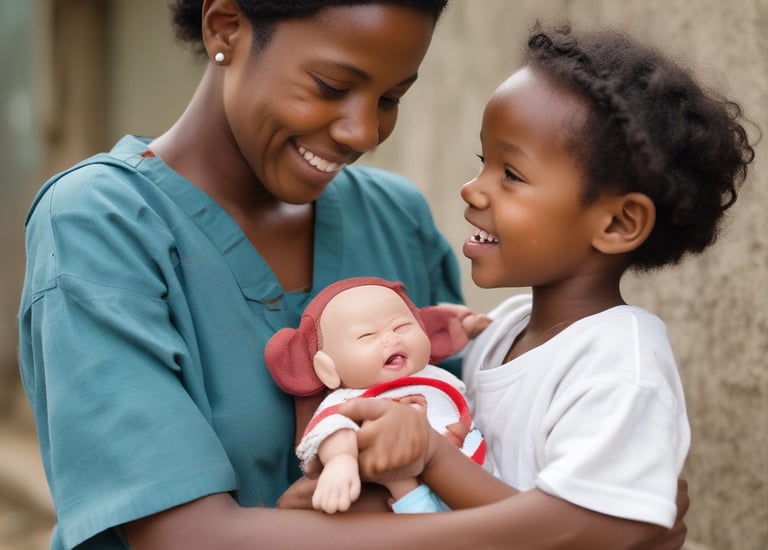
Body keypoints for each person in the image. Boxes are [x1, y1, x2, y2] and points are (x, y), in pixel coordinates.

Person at [15, 0, 691, 545]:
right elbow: (184, 535)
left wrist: (599, 513)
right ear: (226, 27)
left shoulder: (394, 219)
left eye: (392, 97)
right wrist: (573, 533)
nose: (362, 132)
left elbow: (460, 451)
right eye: (333, 86)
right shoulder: (101, 224)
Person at [336, 21, 754, 547]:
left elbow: (571, 533)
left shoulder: (620, 362)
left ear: (617, 224)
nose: (472, 190)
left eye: (511, 174)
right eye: (482, 163)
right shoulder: (500, 332)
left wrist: (431, 454)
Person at [264, 276, 488, 514]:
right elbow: (333, 429)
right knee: (400, 479)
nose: (392, 339)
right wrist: (341, 460)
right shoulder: (351, 400)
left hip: (473, 476)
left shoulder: (434, 376)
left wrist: (467, 328)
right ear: (327, 369)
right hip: (409, 491)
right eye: (367, 336)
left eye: (402, 326)